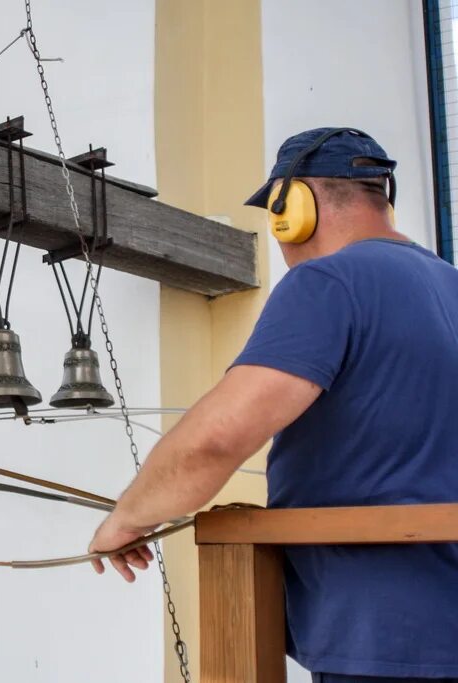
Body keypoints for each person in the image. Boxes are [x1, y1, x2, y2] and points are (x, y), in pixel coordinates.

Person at [87, 127, 458, 682]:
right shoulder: (451, 285)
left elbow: (219, 438)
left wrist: (129, 516)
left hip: (379, 634)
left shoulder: (329, 282)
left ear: (292, 207)